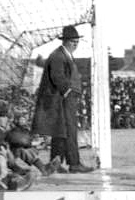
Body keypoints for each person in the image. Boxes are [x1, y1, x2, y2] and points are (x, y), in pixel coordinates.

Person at [32, 25, 94, 174]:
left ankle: (56, 162)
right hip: (62, 99)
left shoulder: (63, 54)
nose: (75, 44)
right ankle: (74, 163)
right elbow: (57, 76)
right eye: (72, 41)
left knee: (60, 131)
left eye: (77, 41)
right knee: (70, 130)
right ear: (64, 41)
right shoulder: (59, 56)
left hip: (63, 99)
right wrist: (68, 92)